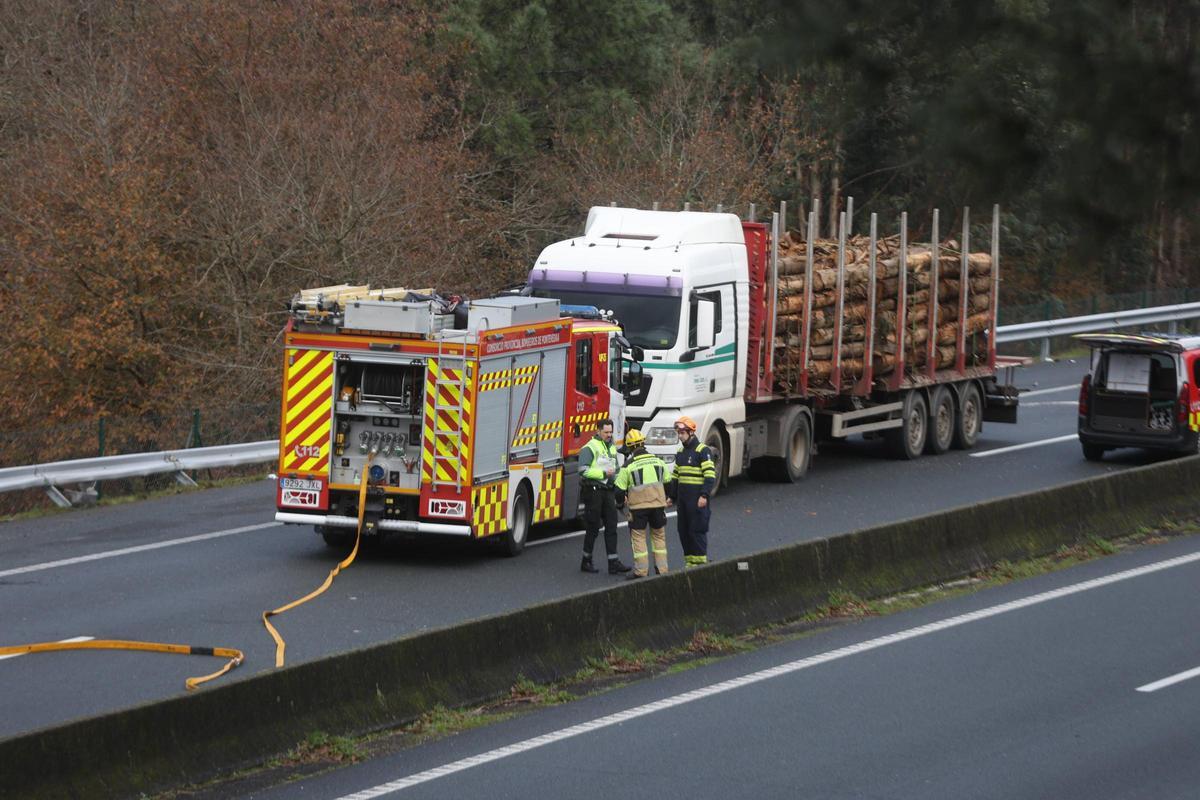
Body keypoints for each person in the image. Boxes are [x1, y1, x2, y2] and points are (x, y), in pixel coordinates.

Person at [614, 428, 669, 579]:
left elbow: (618, 491)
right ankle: (662, 570)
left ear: (630, 447)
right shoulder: (658, 461)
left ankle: (641, 572)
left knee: (638, 539)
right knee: (659, 537)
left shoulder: (628, 466)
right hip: (658, 506)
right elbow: (669, 481)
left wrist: (620, 504)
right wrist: (668, 498)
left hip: (638, 509)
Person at [578, 418, 631, 574]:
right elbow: (583, 470)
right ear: (598, 431)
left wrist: (622, 489)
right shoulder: (589, 447)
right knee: (593, 526)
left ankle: (613, 562)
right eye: (606, 432)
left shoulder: (611, 447)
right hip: (593, 491)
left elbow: (616, 470)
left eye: (610, 432)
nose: (609, 435)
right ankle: (586, 561)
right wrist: (602, 473)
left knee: (612, 525)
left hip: (608, 491)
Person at [665, 416, 716, 568]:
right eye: (678, 433)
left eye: (682, 433)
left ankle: (700, 565)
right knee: (684, 531)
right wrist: (671, 497)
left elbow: (710, 476)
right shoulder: (680, 452)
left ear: (691, 432)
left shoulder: (703, 451)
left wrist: (704, 495)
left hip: (697, 500)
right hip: (683, 501)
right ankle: (690, 563)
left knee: (697, 531)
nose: (680, 436)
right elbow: (676, 477)